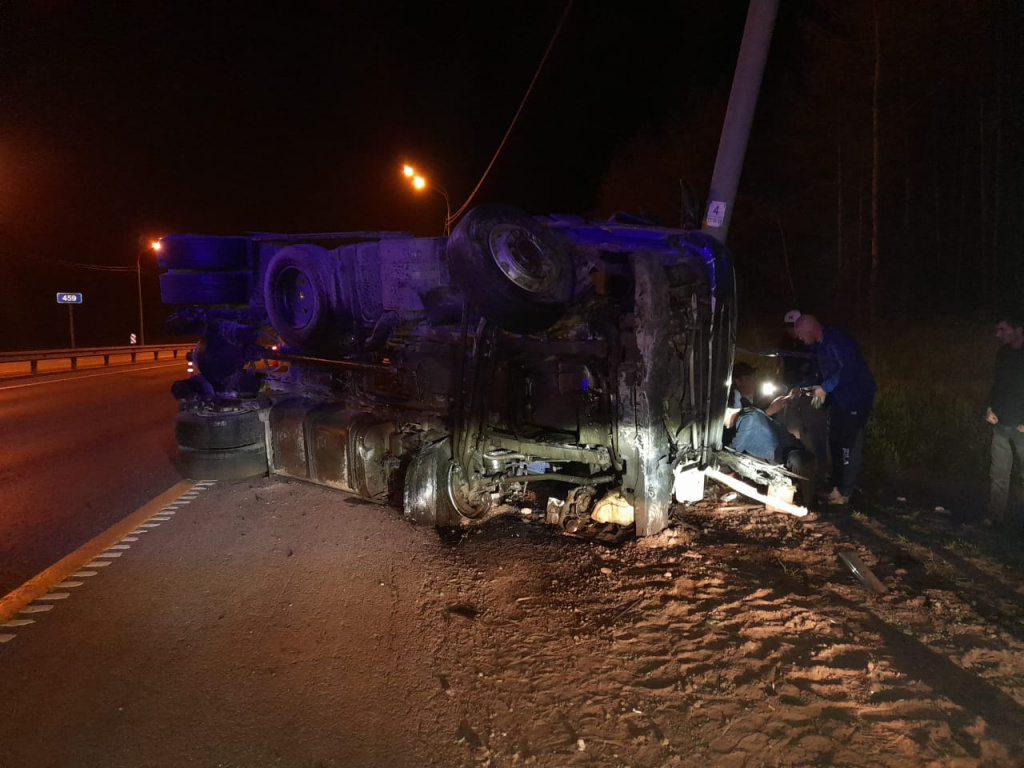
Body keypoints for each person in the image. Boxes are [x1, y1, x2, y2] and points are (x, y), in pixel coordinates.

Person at [794, 314, 876, 505]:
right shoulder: (821, 344)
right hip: (841, 399)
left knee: (849, 443)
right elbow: (828, 372)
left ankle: (845, 491)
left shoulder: (836, 339)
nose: (799, 338)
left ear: (809, 329)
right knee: (835, 441)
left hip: (856, 397)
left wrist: (826, 387)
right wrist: (817, 388)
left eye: (799, 333)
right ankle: (837, 487)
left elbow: (849, 369)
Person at [723, 392, 817, 508]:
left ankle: (810, 504)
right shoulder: (749, 414)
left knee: (798, 460)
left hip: (789, 457)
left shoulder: (748, 420)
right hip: (776, 458)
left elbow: (732, 451)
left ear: (729, 411)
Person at [984, 312, 1024, 527]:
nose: (998, 334)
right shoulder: (1004, 354)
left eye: (1003, 329)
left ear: (1019, 331)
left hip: (1022, 427)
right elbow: (997, 384)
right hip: (1001, 423)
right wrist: (989, 407)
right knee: (998, 474)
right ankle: (995, 519)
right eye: (997, 329)